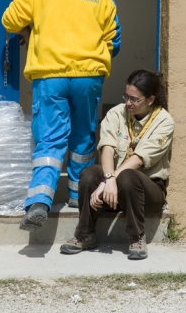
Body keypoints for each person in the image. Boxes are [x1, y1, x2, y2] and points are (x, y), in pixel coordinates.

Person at [1, 0, 122, 231]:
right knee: (82, 140)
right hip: (88, 77)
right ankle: (79, 198)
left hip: (50, 75)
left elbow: (10, 20)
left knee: (50, 140)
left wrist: (28, 31)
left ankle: (40, 201)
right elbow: (114, 43)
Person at [60, 69, 174, 260]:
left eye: (134, 99)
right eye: (126, 96)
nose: (128, 103)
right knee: (89, 174)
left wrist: (107, 181)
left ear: (150, 99)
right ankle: (85, 234)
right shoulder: (116, 113)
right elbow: (107, 148)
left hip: (146, 193)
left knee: (128, 176)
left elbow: (138, 159)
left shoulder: (164, 121)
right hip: (113, 190)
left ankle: (137, 237)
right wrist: (108, 177)